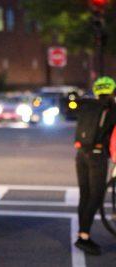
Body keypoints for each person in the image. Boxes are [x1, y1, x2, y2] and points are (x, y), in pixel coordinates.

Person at [74, 76, 116, 255]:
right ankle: (84, 237)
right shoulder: (112, 109)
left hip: (81, 154)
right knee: (96, 196)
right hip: (97, 156)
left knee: (85, 195)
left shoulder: (88, 105)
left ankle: (81, 235)